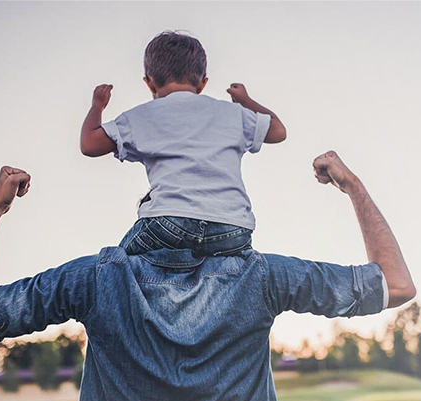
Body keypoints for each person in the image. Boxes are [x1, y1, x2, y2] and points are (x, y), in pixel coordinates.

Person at [0, 151, 416, 401]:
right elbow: (396, 285)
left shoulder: (95, 280)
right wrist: (352, 186)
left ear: (145, 215)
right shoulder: (262, 277)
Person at [79, 31, 287, 257]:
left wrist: (97, 105)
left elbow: (89, 144)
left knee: (117, 265)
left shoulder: (142, 116)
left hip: (169, 224)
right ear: (203, 83)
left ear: (149, 83)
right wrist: (245, 101)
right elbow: (278, 131)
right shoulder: (232, 113)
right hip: (233, 228)